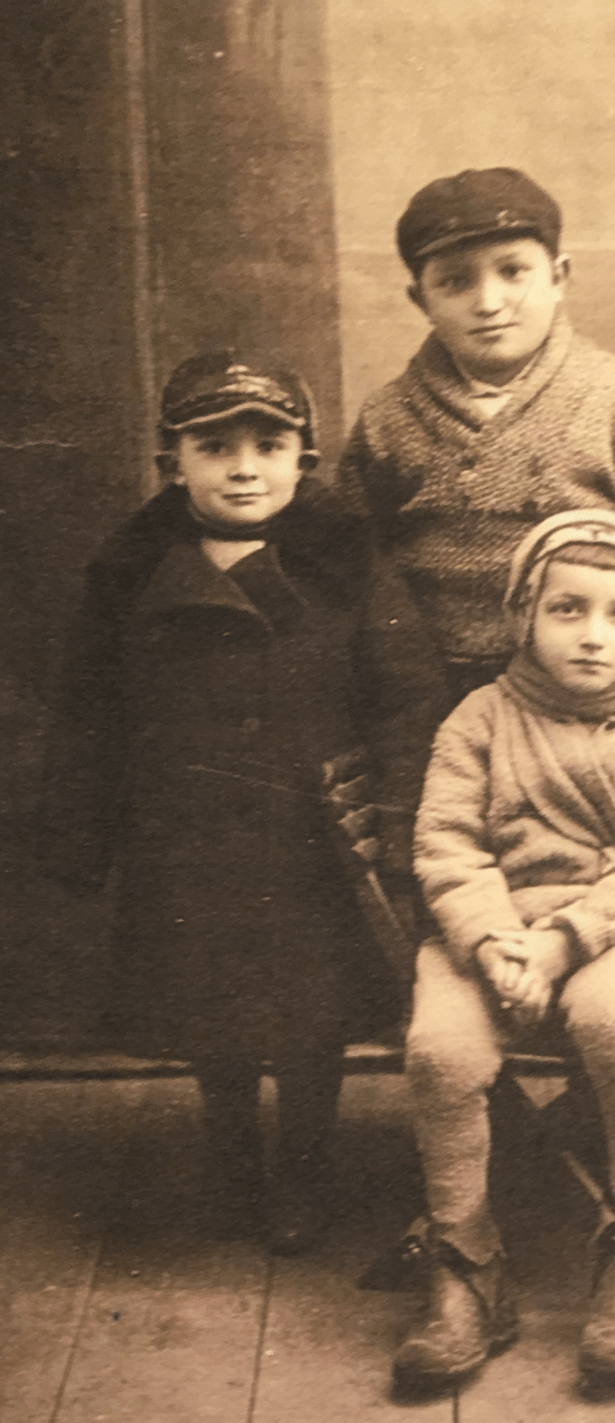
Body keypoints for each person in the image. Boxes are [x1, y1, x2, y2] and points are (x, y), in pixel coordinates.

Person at [41, 352, 447, 1256]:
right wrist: (79, 830)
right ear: (170, 463)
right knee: (209, 1013)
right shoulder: (131, 573)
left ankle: (302, 1169)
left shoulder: (350, 567)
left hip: (312, 843)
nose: (243, 466)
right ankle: (229, 1159)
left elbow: (407, 696)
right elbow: (89, 710)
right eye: (214, 445)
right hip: (184, 840)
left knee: (312, 1020)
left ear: (305, 461)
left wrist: (397, 815)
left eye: (270, 444)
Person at [394, 509, 615, 1388]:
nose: (594, 635)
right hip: (494, 934)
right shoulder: (476, 720)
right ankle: (464, 1258)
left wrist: (567, 939)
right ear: (524, 614)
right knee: (442, 1047)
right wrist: (489, 939)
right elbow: (447, 845)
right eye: (568, 608)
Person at [336, 166, 615, 709]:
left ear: (559, 277)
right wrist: (393, 650)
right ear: (420, 299)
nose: (489, 301)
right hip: (425, 683)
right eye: (455, 281)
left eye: (513, 272)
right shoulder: (388, 416)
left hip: (576, 685)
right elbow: (353, 549)